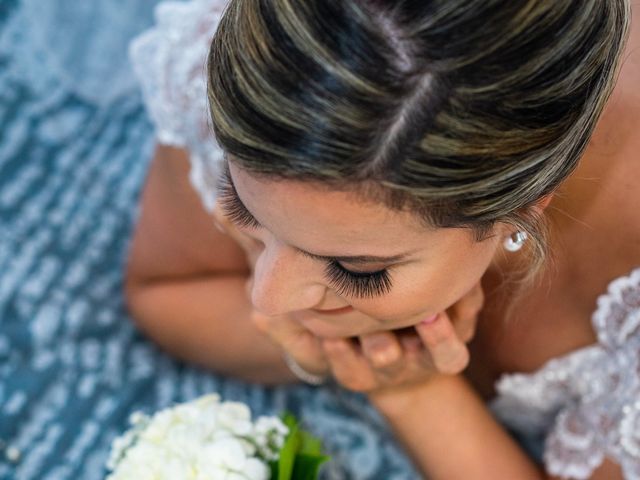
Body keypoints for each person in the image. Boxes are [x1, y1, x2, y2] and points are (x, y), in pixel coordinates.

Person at [125, 0, 639, 478]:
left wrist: (417, 392)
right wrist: (349, 353)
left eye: (358, 268)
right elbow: (165, 292)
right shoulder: (279, 54)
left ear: (525, 205)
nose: (268, 297)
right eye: (241, 205)